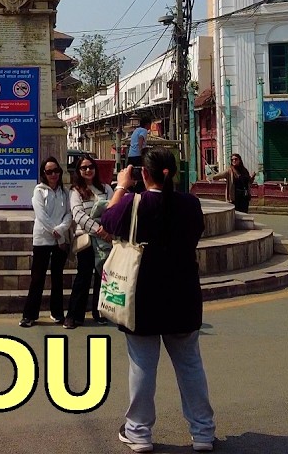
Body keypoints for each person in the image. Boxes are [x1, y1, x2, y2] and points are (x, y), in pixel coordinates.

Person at [101, 148, 216, 453]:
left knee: (142, 366)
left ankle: (139, 432)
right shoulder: (190, 204)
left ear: (144, 174)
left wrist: (122, 186)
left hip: (144, 297)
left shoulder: (135, 202)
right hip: (183, 294)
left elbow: (107, 222)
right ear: (174, 173)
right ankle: (202, 432)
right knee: (190, 365)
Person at [20, 157, 71, 328]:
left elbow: (69, 215)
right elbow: (41, 215)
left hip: (60, 240)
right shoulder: (39, 191)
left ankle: (57, 313)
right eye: (49, 172)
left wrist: (61, 231)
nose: (53, 174)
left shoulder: (65, 192)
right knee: (37, 278)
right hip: (43, 239)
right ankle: (29, 315)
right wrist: (55, 231)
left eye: (56, 171)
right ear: (44, 173)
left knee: (58, 278)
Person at [66, 154, 113, 329]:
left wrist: (106, 230)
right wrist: (98, 230)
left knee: (102, 277)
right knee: (83, 277)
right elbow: (78, 215)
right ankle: (74, 315)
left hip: (105, 239)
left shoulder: (106, 188)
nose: (87, 170)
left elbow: (113, 209)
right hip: (86, 239)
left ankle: (99, 312)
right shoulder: (75, 191)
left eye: (90, 167)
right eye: (84, 168)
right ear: (78, 171)